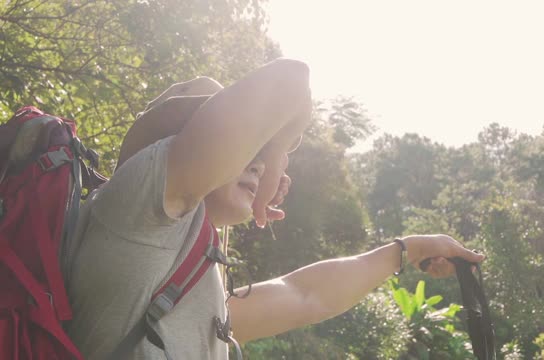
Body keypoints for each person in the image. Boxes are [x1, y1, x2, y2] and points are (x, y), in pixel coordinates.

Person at [63, 58, 484, 359]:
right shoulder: (140, 206)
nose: (258, 163)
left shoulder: (176, 267)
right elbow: (290, 79)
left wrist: (410, 248)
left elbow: (305, 296)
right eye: (246, 147)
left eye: (262, 154)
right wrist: (278, 151)